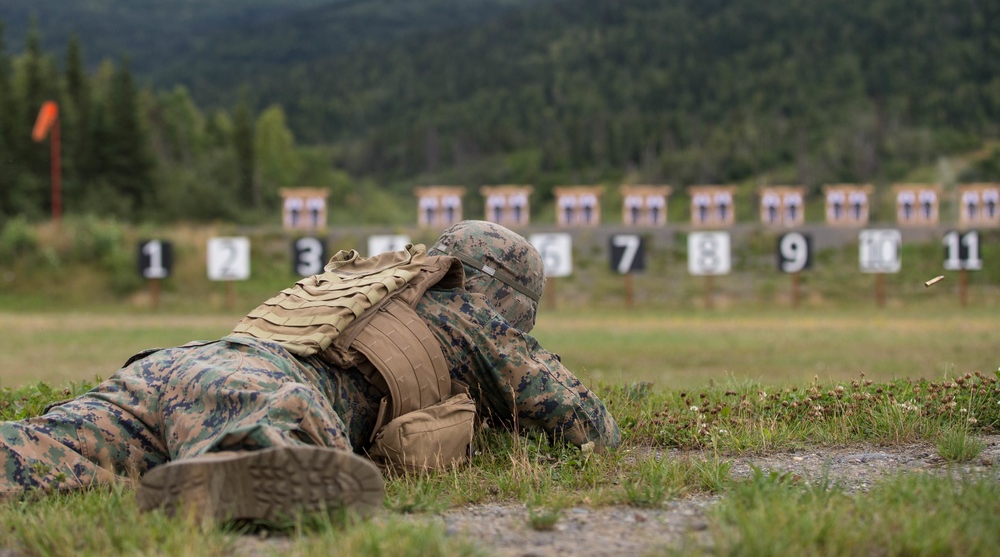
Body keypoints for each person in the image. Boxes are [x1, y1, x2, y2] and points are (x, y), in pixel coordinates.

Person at [0, 221, 619, 519]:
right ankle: (236, 474)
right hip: (257, 386)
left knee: (44, 452)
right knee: (273, 455)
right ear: (509, 299)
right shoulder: (471, 315)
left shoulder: (370, 276)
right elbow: (586, 426)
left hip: (177, 366)